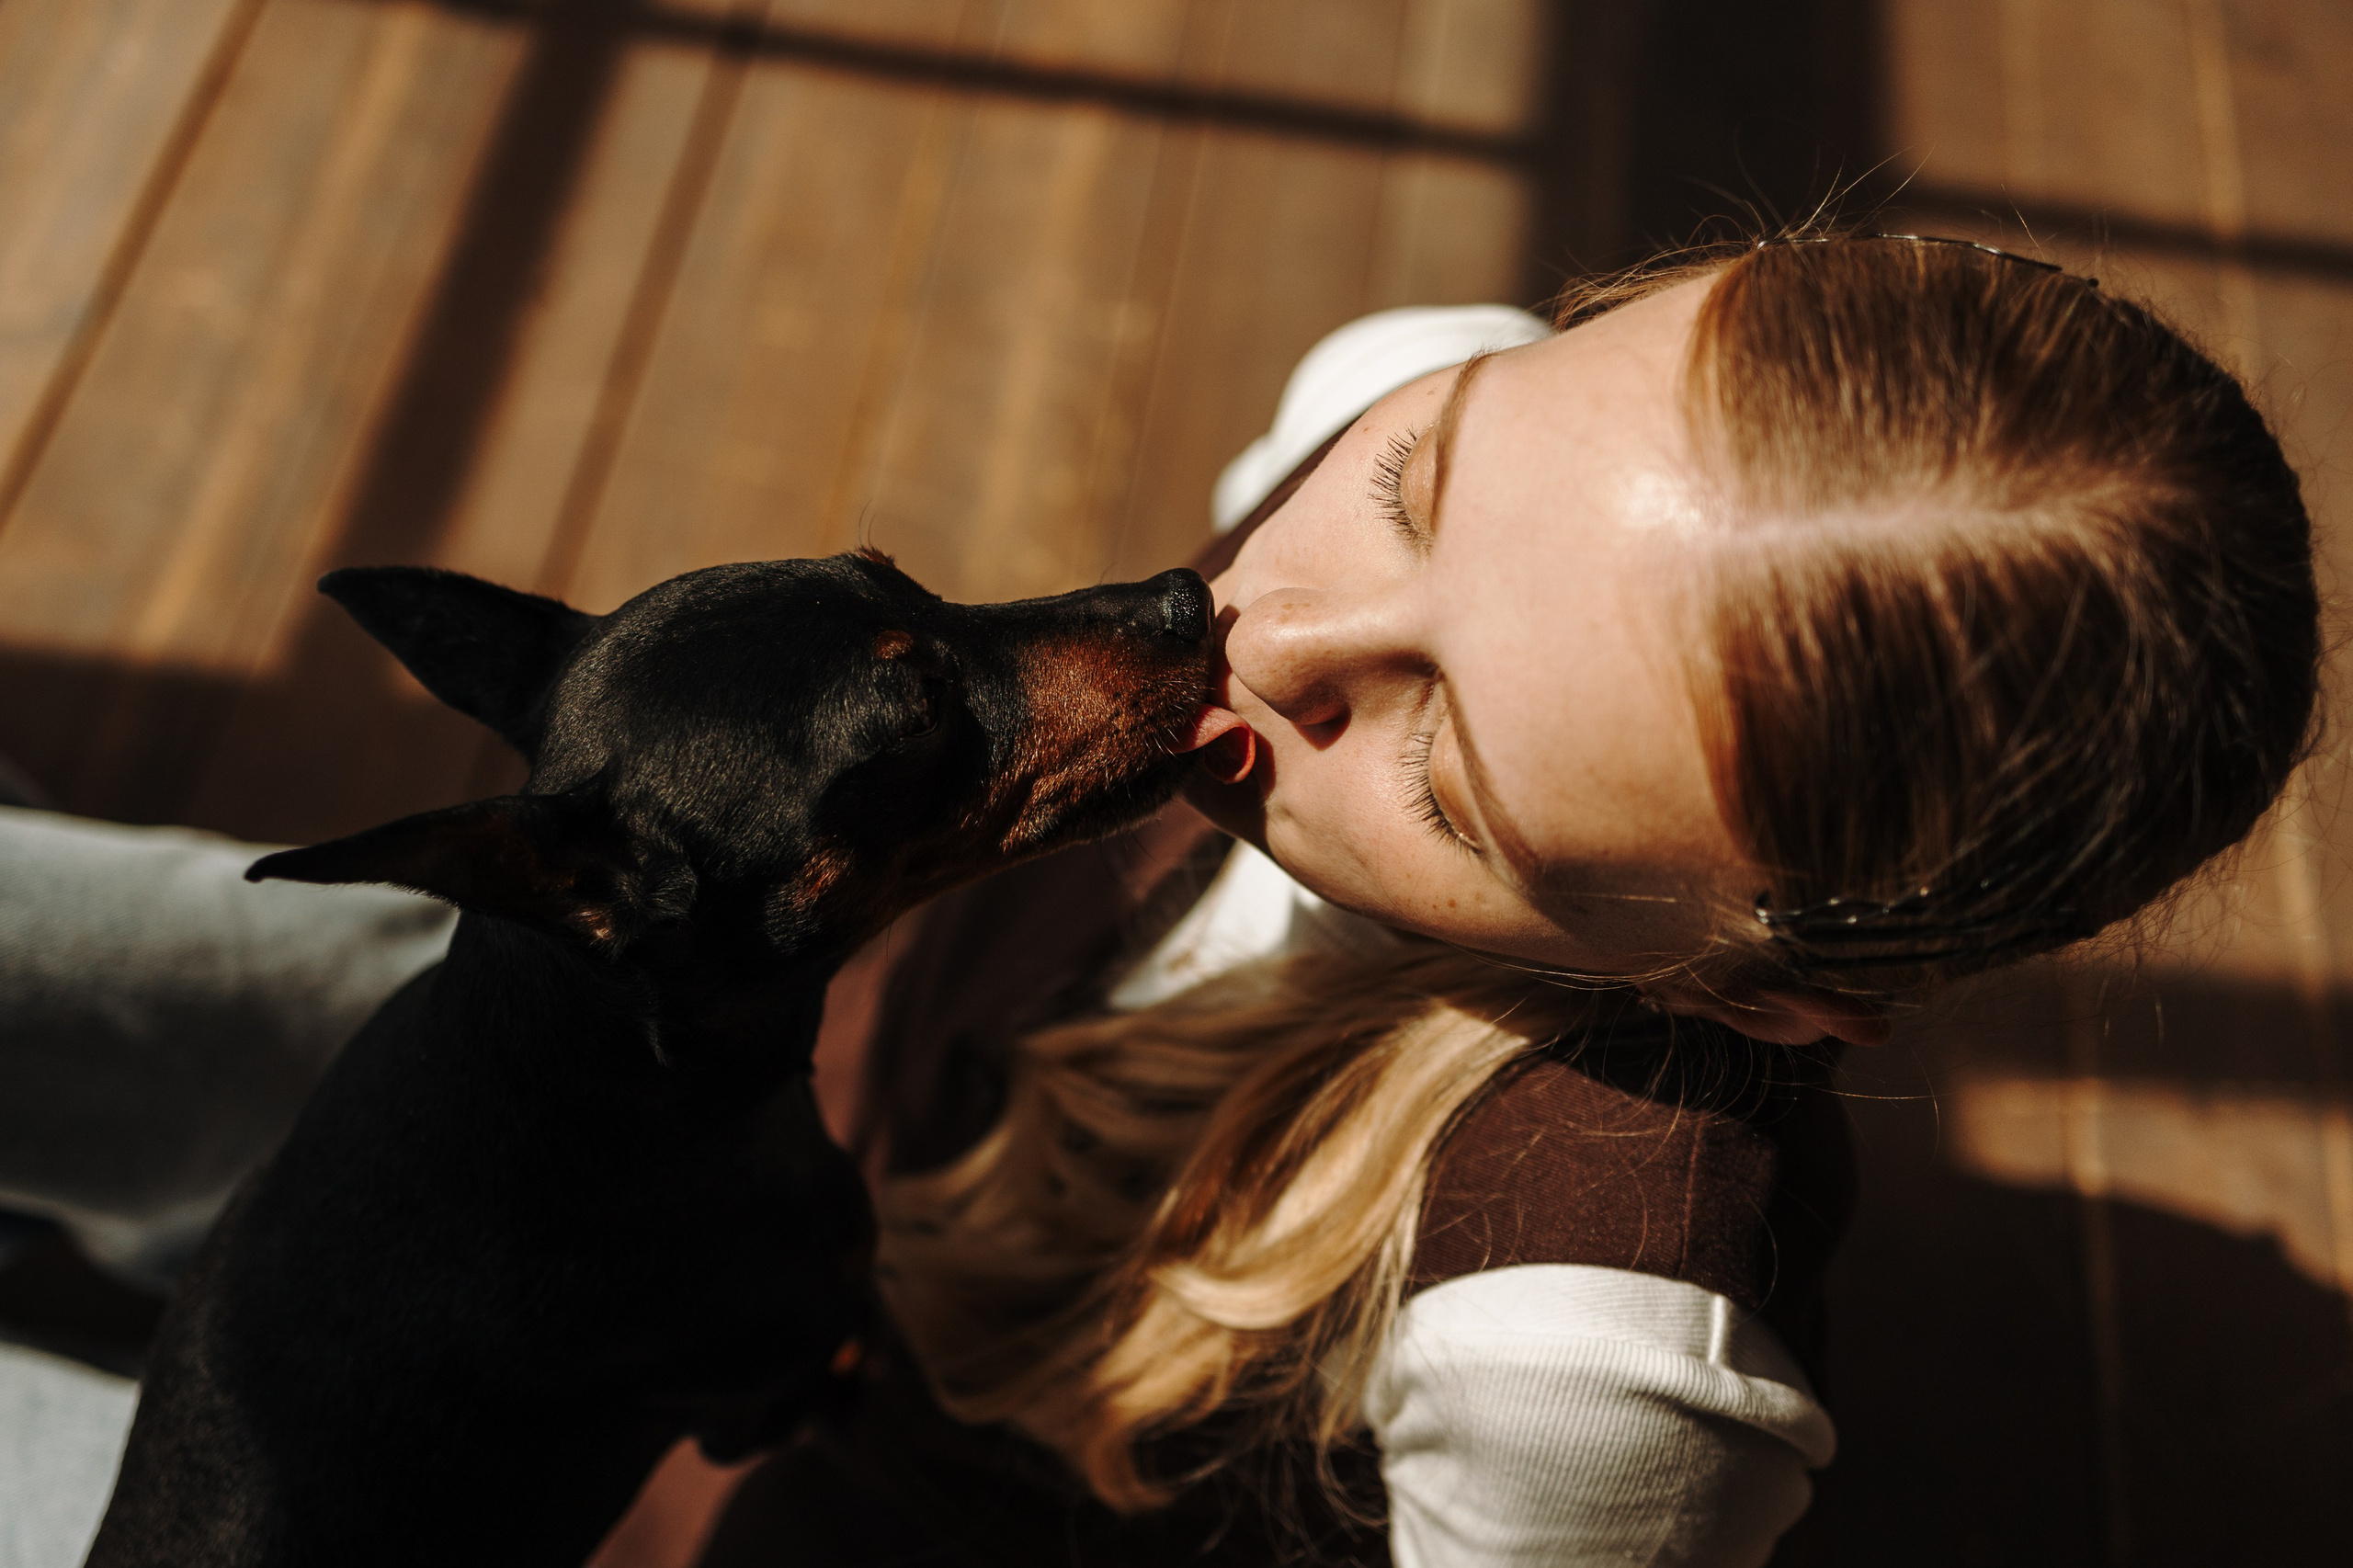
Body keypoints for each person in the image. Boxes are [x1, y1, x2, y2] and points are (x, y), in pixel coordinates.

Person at [0, 226, 2320, 1567]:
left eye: (1444, 761)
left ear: (1758, 998)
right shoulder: (1388, 389)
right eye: (1409, 495)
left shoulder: (1582, 1354)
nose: (1264, 635)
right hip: (680, 1076)